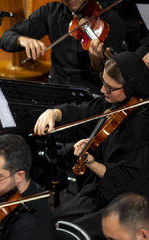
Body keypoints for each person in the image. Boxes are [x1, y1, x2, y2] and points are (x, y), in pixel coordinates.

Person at [33, 51, 149, 238]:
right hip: (97, 192)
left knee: (70, 233)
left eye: (110, 88)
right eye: (102, 82)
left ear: (131, 86)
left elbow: (129, 181)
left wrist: (91, 163)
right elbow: (82, 113)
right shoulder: (115, 104)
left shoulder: (143, 126)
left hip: (125, 204)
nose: (103, 91)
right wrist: (53, 113)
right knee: (48, 224)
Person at [0, 0, 125, 93]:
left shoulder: (109, 19)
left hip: (90, 95)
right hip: (56, 89)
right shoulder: (51, 11)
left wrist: (96, 64)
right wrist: (21, 40)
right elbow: (5, 38)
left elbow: (113, 81)